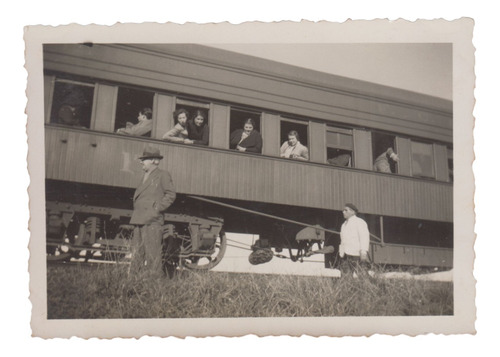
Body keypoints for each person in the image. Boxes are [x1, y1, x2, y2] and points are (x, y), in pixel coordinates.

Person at [129, 146, 176, 277]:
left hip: (152, 220)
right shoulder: (145, 176)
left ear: (154, 161)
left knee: (152, 256)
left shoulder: (162, 175)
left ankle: (153, 285)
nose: (141, 162)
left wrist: (157, 208)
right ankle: (134, 283)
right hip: (139, 219)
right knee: (137, 255)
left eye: (144, 159)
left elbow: (171, 194)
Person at [338, 203, 370, 276]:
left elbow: (364, 237)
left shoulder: (360, 222)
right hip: (345, 255)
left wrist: (363, 252)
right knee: (345, 278)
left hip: (356, 255)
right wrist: (341, 253)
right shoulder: (343, 225)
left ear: (352, 212)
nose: (343, 212)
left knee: (363, 277)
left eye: (346, 210)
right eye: (343, 210)